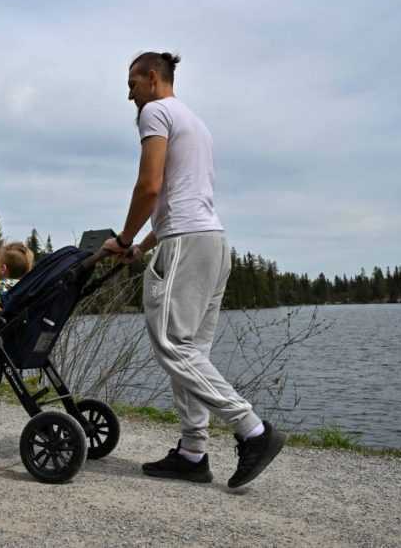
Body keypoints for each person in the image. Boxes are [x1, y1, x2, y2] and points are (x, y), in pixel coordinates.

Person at [102, 52, 286, 488]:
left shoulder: (156, 113)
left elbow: (150, 187)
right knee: (191, 352)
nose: (128, 92)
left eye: (132, 82)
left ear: (152, 78)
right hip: (211, 243)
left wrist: (125, 238)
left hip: (186, 244)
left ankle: (253, 431)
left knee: (172, 347)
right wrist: (145, 246)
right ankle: (192, 452)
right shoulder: (194, 122)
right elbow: (177, 196)